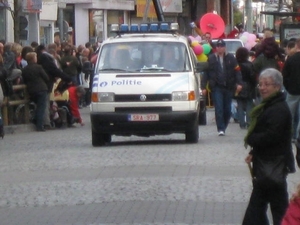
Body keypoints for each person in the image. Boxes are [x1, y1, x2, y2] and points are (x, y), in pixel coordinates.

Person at [242, 68, 295, 225]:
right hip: (268, 166)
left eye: (267, 84)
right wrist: (254, 151)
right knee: (269, 209)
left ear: (277, 87)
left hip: (272, 166)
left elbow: (271, 136)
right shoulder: (270, 105)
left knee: (261, 210)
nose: (262, 88)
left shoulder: (278, 109)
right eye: (260, 84)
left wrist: (252, 139)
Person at [203, 39, 242, 136]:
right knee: (219, 108)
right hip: (216, 87)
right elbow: (206, 73)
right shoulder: (211, 58)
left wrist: (239, 83)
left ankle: (224, 125)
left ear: (225, 47)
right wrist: (203, 86)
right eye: (218, 46)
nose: (219, 48)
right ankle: (220, 128)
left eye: (221, 46)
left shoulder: (231, 58)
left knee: (227, 109)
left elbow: (237, 71)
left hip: (228, 86)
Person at [21, 52, 50, 131]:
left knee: (37, 106)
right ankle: (39, 125)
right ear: (33, 59)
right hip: (41, 88)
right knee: (41, 107)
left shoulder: (24, 69)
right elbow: (46, 77)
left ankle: (35, 120)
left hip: (31, 90)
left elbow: (24, 80)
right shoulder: (38, 67)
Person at [282, 38, 300, 141]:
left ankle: (289, 135)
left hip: (292, 91)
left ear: (297, 46)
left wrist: (288, 87)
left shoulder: (291, 59)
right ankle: (298, 136)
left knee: (290, 114)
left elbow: (284, 75)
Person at [234, 47, 256, 129]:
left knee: (239, 104)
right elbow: (253, 76)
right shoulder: (250, 64)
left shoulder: (236, 64)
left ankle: (241, 123)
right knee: (249, 104)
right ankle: (249, 122)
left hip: (238, 85)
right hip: (248, 85)